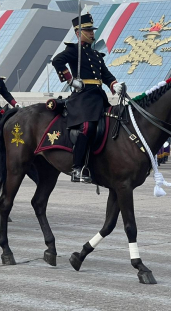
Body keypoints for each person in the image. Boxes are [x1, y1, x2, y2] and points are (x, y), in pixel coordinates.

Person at [52, 13, 122, 183]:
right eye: (88, 30)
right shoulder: (73, 51)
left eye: (92, 30)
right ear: (78, 32)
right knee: (87, 127)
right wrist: (70, 80)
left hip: (99, 98)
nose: (92, 33)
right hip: (82, 98)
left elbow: (106, 75)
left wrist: (114, 85)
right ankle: (77, 167)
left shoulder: (97, 55)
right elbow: (57, 61)